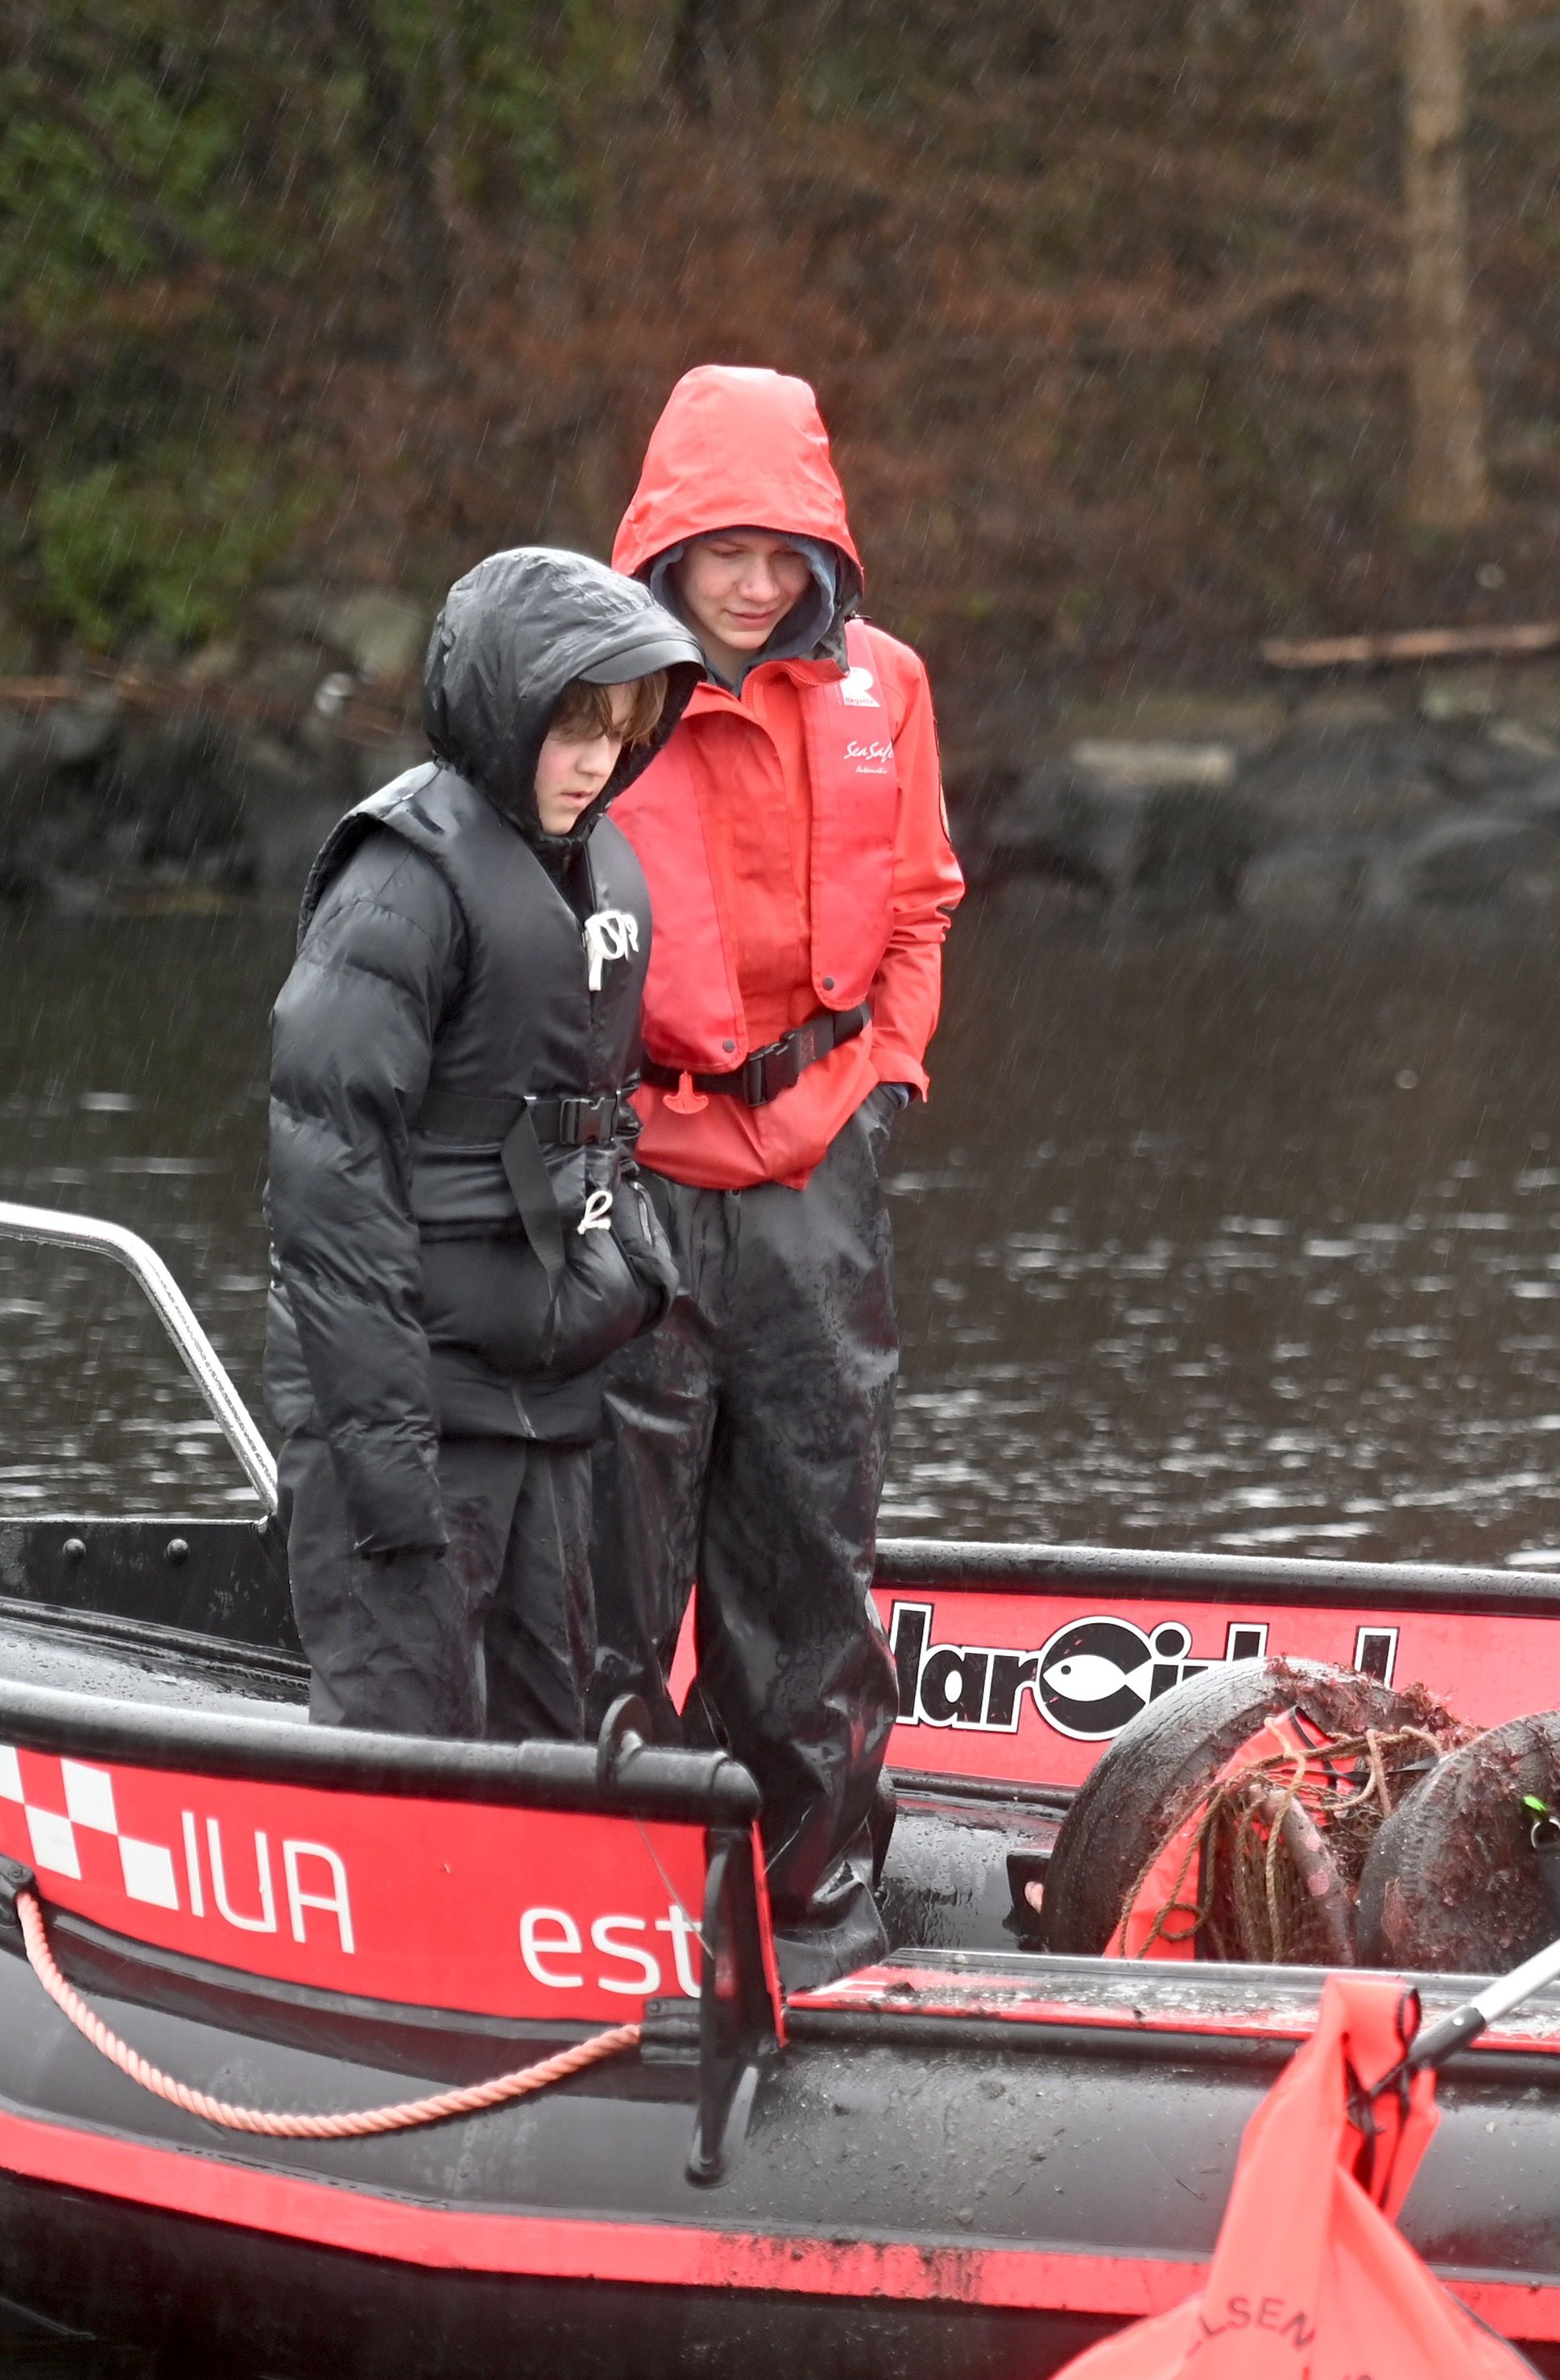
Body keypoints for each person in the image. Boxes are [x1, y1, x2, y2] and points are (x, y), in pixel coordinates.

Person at [589, 363, 966, 1983]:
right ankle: (600, 1891)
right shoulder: (592, 692)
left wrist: (882, 1072)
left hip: (818, 1169)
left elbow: (925, 899)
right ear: (667, 546)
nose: (754, 583)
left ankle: (815, 1899)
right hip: (631, 1170)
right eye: (724, 550)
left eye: (782, 552)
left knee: (812, 1542)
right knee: (611, 1545)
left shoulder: (887, 684)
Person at [265, 548, 698, 1741]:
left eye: (618, 730)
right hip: (405, 1400)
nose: (597, 759)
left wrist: (632, 1284)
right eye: (572, 728)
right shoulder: (398, 886)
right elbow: (327, 1183)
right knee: (404, 1737)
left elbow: (597, 1134)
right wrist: (389, 1466)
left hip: (543, 1396)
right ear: (506, 718)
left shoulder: (599, 869)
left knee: (553, 1737)